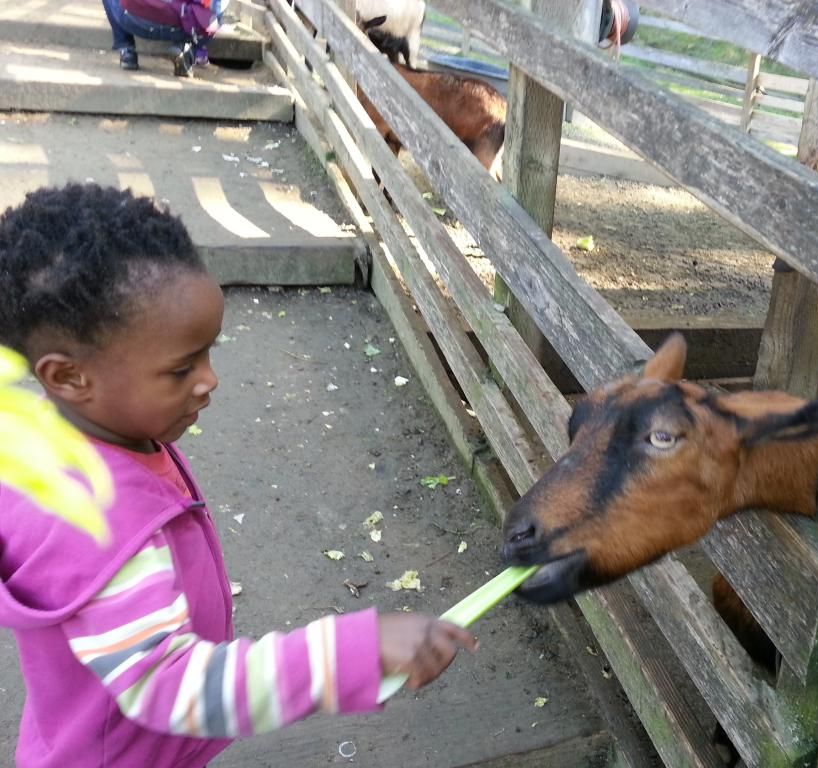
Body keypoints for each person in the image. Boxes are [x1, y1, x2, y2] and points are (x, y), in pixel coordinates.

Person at [0, 183, 479, 767]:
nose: (209, 380)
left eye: (207, 353)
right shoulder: (97, 524)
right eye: (181, 369)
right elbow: (168, 685)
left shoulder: (77, 442)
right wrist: (352, 654)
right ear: (70, 377)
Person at [100, 0, 221, 76]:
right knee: (216, 12)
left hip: (135, 19)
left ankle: (126, 51)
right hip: (182, 26)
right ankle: (188, 50)